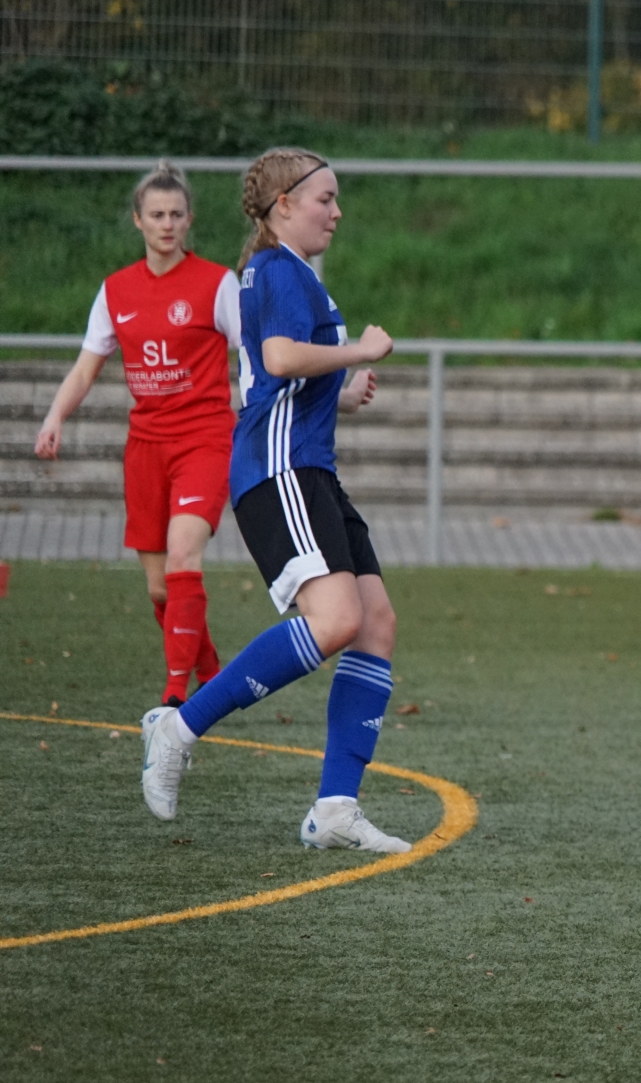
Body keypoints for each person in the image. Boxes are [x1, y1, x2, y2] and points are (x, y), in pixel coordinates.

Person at [139, 147, 408, 854]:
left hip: (311, 469)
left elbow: (273, 371)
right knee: (338, 619)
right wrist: (360, 355)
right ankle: (179, 726)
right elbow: (285, 357)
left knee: (375, 622)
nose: (337, 211)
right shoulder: (275, 267)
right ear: (283, 204)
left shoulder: (289, 273)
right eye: (325, 198)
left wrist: (343, 392)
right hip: (278, 471)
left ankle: (335, 808)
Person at [35, 161, 240, 707]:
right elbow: (85, 368)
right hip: (146, 448)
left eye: (176, 214)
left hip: (205, 438)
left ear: (189, 219)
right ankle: (212, 672)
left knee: (182, 559)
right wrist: (55, 417)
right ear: (138, 221)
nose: (167, 224)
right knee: (158, 588)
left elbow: (262, 356)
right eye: (156, 215)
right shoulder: (116, 290)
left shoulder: (218, 284)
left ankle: (176, 698)